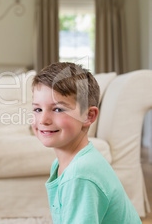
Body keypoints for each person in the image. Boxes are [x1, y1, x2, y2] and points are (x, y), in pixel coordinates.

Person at [31, 62, 141, 223]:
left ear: (88, 116)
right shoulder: (67, 163)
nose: (43, 120)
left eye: (58, 109)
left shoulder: (80, 173)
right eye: (38, 109)